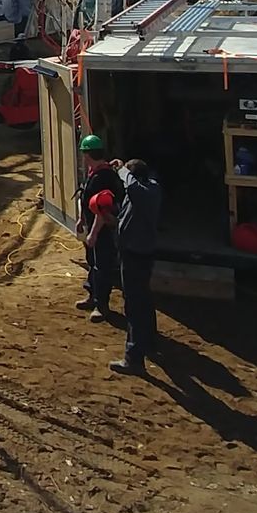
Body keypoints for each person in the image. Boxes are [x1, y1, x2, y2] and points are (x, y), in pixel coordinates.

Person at [112, 159, 161, 376]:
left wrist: (122, 171)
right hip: (139, 251)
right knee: (143, 299)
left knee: (134, 305)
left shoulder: (145, 193)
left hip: (136, 254)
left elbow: (131, 186)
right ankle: (148, 341)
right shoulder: (150, 189)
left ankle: (134, 357)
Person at [75, 133, 124, 322]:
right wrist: (81, 219)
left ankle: (101, 305)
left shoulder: (103, 177)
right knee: (93, 263)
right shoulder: (94, 173)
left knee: (102, 266)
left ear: (87, 155)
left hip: (103, 231)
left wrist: (94, 234)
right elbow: (86, 198)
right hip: (92, 227)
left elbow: (102, 210)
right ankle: (92, 295)